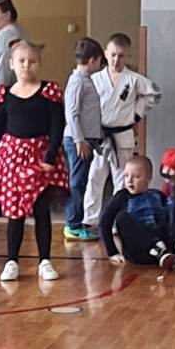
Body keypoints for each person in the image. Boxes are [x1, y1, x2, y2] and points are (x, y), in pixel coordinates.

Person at [0, 39, 68, 283]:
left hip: (39, 159)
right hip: (12, 160)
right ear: (11, 63)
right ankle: (11, 261)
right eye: (21, 61)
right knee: (14, 211)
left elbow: (57, 127)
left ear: (39, 63)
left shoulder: (49, 92)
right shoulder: (6, 95)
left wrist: (50, 156)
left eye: (32, 61)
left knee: (41, 209)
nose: (26, 66)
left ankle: (45, 261)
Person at [82, 34, 160, 228]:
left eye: (121, 56)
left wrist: (136, 114)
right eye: (113, 55)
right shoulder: (95, 79)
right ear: (106, 54)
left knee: (122, 179)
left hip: (122, 135)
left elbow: (154, 94)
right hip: (101, 136)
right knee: (95, 177)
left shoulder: (133, 79)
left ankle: (117, 220)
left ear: (128, 56)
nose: (116, 60)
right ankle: (90, 219)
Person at [98, 153, 175, 269]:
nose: (129, 181)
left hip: (165, 250)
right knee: (122, 217)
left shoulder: (157, 195)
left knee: (174, 206)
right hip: (139, 253)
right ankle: (157, 249)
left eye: (136, 177)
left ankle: (174, 249)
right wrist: (112, 252)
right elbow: (104, 222)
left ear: (148, 178)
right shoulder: (121, 197)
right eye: (126, 176)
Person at [62, 38, 105, 239]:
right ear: (93, 60)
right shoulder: (77, 81)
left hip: (87, 139)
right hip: (79, 140)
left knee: (82, 181)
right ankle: (73, 224)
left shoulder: (86, 80)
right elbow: (72, 113)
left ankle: (77, 221)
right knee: (77, 183)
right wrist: (79, 140)